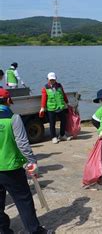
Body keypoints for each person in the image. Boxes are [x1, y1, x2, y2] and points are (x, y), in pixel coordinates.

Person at [0, 89, 51, 233]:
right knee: (23, 201)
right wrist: (32, 161)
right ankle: (34, 231)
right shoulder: (13, 118)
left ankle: (3, 230)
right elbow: (22, 143)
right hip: (11, 168)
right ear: (8, 101)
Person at [39, 72, 70, 144]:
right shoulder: (45, 88)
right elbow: (44, 98)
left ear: (56, 79)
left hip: (60, 107)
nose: (52, 81)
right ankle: (53, 137)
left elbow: (63, 94)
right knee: (52, 123)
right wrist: (42, 107)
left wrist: (67, 102)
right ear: (48, 79)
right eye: (50, 79)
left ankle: (62, 135)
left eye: (53, 79)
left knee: (64, 121)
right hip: (51, 108)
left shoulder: (59, 86)